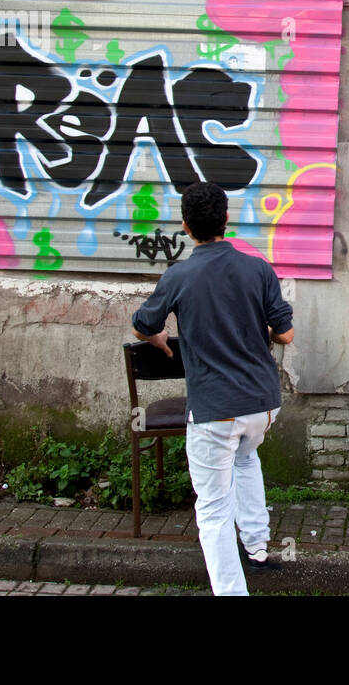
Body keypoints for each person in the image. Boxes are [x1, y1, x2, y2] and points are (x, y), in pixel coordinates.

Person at [131, 182, 293, 595]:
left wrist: (161, 341)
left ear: (186, 227)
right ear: (226, 220)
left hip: (214, 410)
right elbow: (286, 334)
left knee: (214, 508)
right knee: (245, 458)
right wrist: (261, 333)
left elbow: (142, 324)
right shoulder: (257, 268)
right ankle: (257, 549)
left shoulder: (180, 274)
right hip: (262, 404)